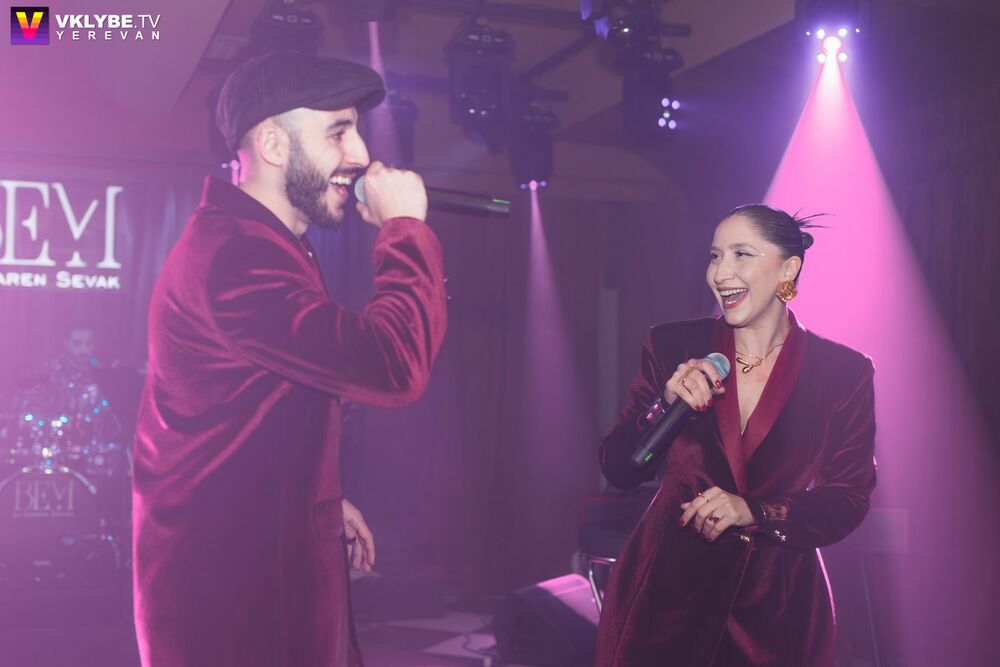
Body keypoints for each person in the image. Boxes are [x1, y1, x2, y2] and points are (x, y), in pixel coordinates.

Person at [132, 52, 448, 666]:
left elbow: (255, 407)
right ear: (274, 145)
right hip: (233, 603)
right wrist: (405, 228)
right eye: (338, 132)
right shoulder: (237, 256)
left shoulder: (264, 243)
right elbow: (393, 367)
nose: (360, 154)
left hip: (255, 568)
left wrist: (314, 495)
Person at [595, 205, 877, 666]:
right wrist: (664, 406)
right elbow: (619, 468)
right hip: (665, 598)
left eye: (741, 254)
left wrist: (755, 511)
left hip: (776, 608)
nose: (720, 273)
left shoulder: (842, 373)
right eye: (714, 256)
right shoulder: (672, 346)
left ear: (788, 269)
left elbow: (848, 498)